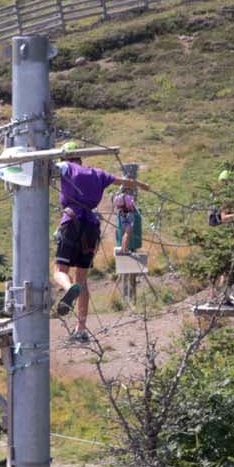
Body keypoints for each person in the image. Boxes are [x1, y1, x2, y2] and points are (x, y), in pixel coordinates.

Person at [49, 143, 154, 341]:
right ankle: (81, 329)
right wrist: (142, 186)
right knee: (82, 278)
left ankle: (68, 288)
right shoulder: (98, 173)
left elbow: (49, 169)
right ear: (80, 158)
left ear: (65, 158)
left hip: (71, 221)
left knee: (60, 271)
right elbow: (124, 181)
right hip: (91, 227)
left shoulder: (65, 168)